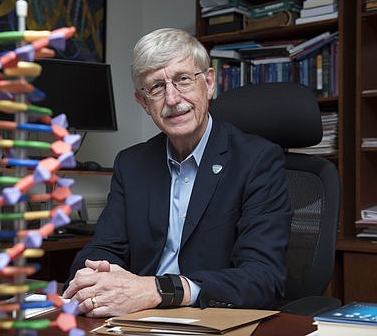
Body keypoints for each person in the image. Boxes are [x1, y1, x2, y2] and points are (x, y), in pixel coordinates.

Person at [62, 28, 291, 317]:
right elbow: (104, 249)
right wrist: (92, 275)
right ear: (144, 103)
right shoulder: (131, 164)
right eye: (156, 87)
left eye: (183, 79)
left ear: (208, 83)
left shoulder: (257, 161)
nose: (172, 98)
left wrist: (158, 290)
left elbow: (263, 279)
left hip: (211, 317)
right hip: (138, 319)